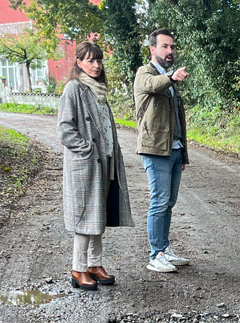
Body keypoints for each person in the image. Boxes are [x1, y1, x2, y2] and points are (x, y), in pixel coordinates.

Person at [57, 41, 132, 291]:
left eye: (99, 60)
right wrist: (87, 150)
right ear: (79, 63)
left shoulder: (98, 90)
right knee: (84, 219)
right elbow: (65, 130)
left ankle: (94, 265)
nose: (96, 65)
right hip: (87, 164)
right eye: (90, 60)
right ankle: (78, 269)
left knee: (98, 216)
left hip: (106, 162)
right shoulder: (74, 89)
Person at [135, 29, 191, 273]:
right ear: (152, 49)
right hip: (155, 150)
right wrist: (171, 77)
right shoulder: (145, 73)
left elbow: (178, 119)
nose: (170, 51)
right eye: (165, 47)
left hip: (174, 150)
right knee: (158, 201)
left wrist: (183, 154)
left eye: (172, 47)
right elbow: (152, 85)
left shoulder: (169, 83)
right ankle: (155, 254)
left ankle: (164, 248)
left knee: (169, 202)